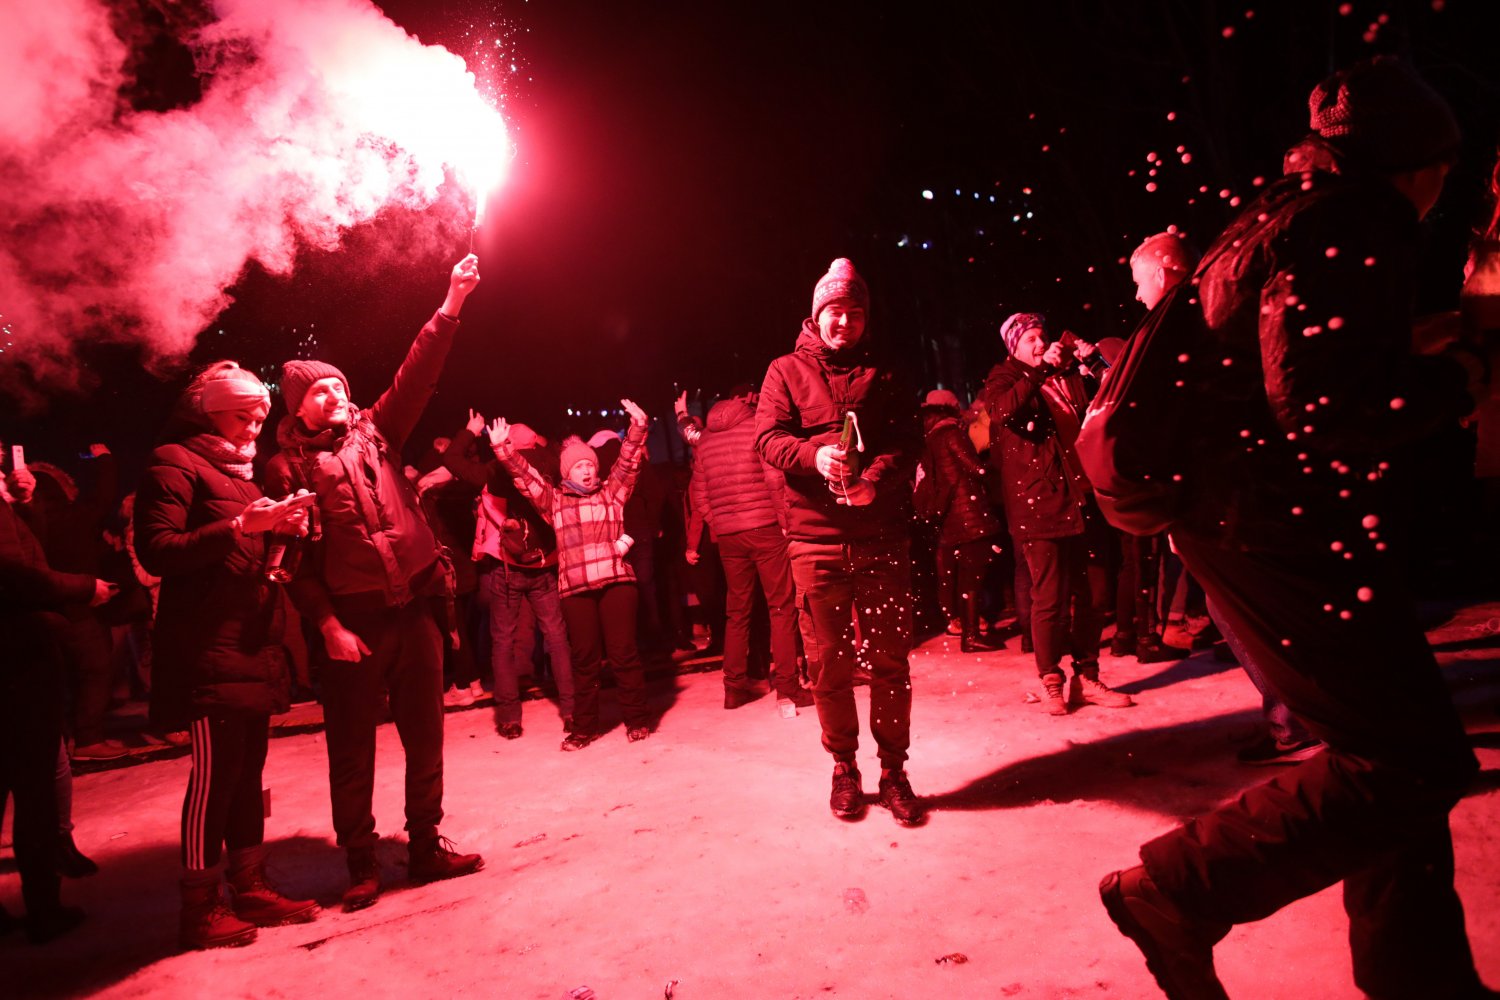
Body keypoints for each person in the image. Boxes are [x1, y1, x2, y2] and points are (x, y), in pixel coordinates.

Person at [1099, 58, 1495, 999]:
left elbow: (1293, 357)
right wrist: (1459, 384)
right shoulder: (1351, 218)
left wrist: (1419, 343)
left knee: (1398, 745)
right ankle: (1176, 891)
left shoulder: (1291, 207)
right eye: (1442, 167)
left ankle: (1418, 976)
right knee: (1407, 760)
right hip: (1264, 523)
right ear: (1414, 162)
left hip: (1256, 513)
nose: (1446, 189)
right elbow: (1320, 411)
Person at [265, 256, 484, 912]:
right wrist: (328, 626)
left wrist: (451, 302)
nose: (336, 395)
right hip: (353, 621)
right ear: (298, 406)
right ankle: (360, 861)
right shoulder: (285, 469)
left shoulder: (378, 434)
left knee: (426, 730)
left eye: (338, 386)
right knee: (352, 746)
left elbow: (417, 375)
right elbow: (296, 564)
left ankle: (424, 844)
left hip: (414, 604)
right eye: (320, 392)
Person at [135, 361, 320, 949]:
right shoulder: (173, 463)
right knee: (214, 778)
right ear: (210, 410)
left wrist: (285, 530)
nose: (253, 427)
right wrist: (243, 526)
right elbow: (159, 551)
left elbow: (248, 545)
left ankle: (250, 884)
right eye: (244, 415)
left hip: (250, 642)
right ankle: (199, 906)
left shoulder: (243, 476)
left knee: (247, 776)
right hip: (206, 647)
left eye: (260, 417)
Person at [1132, 231, 1322, 764]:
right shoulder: (1218, 312)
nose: (1137, 296)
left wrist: (1174, 505)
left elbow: (1178, 422)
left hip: (1220, 501)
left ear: (1163, 273)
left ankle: (1295, 720)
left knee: (1235, 609)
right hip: (1240, 492)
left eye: (1139, 281)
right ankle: (1298, 713)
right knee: (1249, 608)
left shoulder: (1180, 324)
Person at [755, 257, 924, 826]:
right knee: (828, 664)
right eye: (834, 311)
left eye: (854, 312)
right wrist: (813, 455)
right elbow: (768, 438)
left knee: (890, 663)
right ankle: (844, 767)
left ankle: (894, 770)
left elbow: (907, 439)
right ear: (816, 314)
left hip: (880, 537)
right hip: (814, 541)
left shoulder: (890, 370)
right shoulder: (784, 370)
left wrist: (874, 481)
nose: (843, 322)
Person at [979, 313, 1134, 715]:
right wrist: (1040, 369)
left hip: (1084, 498)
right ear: (1013, 346)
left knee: (1096, 593)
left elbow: (1112, 400)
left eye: (1042, 336)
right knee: (1049, 598)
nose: (1039, 342)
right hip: (1039, 504)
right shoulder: (1004, 379)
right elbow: (1002, 413)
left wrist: (1093, 362)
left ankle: (1087, 676)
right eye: (1029, 338)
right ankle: (1051, 680)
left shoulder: (1065, 376)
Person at [486, 401, 654, 750]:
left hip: (616, 582)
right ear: (567, 473)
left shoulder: (612, 493)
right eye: (578, 466)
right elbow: (525, 479)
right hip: (576, 588)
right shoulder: (555, 502)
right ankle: (585, 728)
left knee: (623, 654)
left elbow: (628, 462)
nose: (587, 471)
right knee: (584, 661)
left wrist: (638, 426)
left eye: (589, 465)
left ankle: (637, 720)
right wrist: (503, 448)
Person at [0, 439, 116, 943]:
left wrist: (22, 505)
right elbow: (15, 576)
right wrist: (82, 587)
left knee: (37, 776)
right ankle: (44, 908)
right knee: (36, 785)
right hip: (15, 658)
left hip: (18, 653)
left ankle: (41, 894)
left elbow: (28, 554)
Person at [443, 412, 574, 740]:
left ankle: (510, 719)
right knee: (556, 639)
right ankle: (572, 710)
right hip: (546, 564)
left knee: (502, 641)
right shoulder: (553, 463)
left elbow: (452, 459)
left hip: (506, 565)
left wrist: (471, 432)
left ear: (507, 443)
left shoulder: (494, 469)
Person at [687, 386, 813, 709]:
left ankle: (733, 689)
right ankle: (787, 686)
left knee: (737, 612)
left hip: (729, 537)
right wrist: (784, 521)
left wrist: (720, 522)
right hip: (765, 529)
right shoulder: (756, 430)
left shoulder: (705, 442)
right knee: (782, 607)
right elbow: (774, 481)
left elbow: (697, 495)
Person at [918, 389, 1004, 653]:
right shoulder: (952, 434)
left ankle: (963, 628)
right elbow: (974, 467)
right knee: (973, 579)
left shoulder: (929, 438)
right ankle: (972, 636)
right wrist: (992, 465)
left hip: (950, 519)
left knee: (959, 577)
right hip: (970, 516)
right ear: (952, 410)